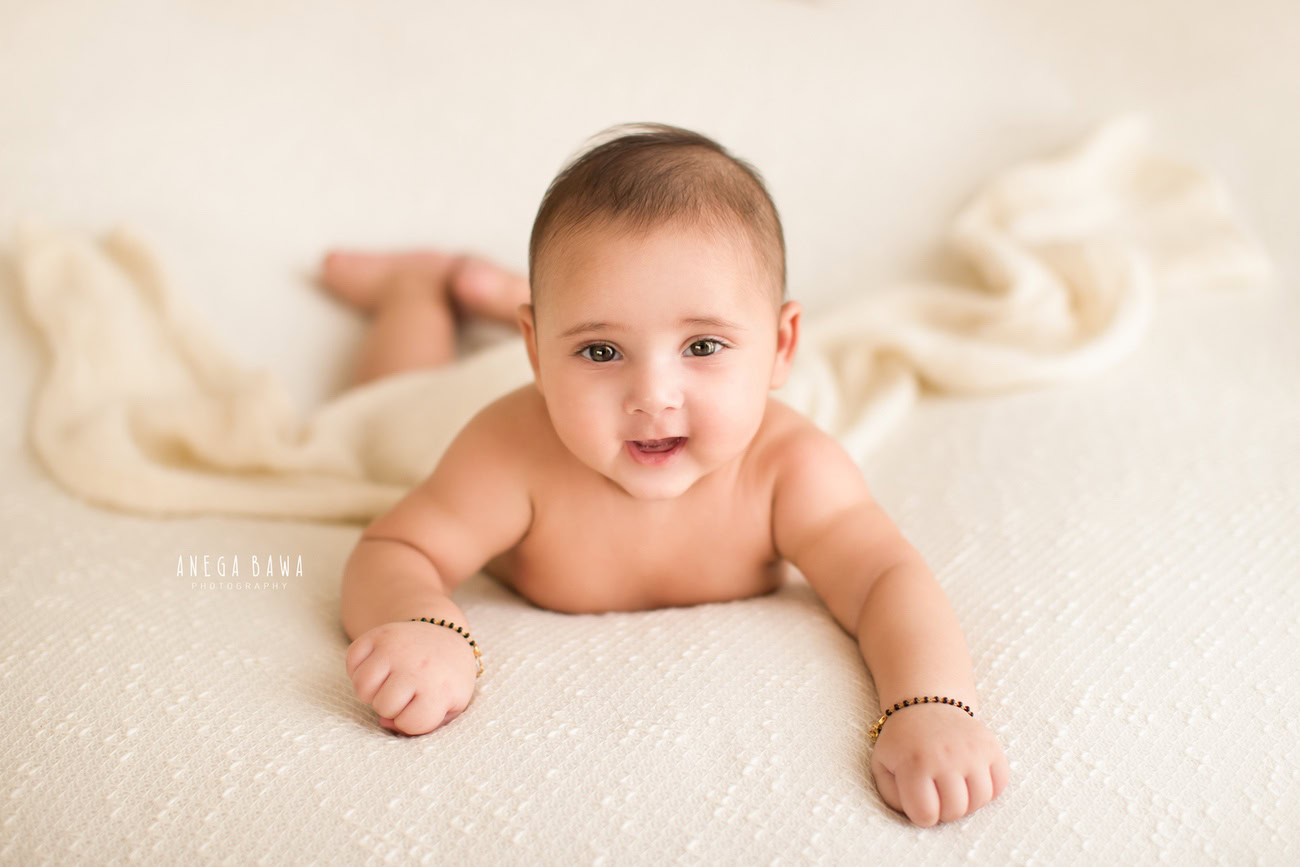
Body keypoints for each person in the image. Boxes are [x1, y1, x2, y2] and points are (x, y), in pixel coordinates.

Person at [331, 122, 1008, 827]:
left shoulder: (789, 468)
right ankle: (415, 291)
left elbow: (883, 578)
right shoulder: (508, 454)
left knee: (611, 310)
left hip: (588, 348)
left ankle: (528, 303)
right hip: (451, 402)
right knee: (382, 413)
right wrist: (426, 620)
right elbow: (395, 547)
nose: (653, 397)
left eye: (703, 345)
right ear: (536, 353)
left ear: (782, 346)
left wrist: (931, 703)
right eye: (601, 351)